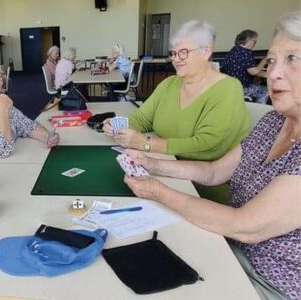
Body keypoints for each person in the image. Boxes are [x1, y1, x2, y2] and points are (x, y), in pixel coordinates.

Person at [123, 11, 300, 300]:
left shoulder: (226, 88)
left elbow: (245, 227)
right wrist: (152, 164)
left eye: (292, 58)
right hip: (228, 246)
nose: (275, 73)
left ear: (205, 52)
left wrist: (158, 191)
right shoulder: (273, 123)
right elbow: (215, 171)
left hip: (270, 282)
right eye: (271, 61)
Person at [103, 20, 250, 203]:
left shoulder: (229, 88)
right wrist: (122, 127)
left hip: (206, 185)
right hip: (162, 167)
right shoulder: (169, 84)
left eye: (184, 52)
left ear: (206, 51)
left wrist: (146, 144)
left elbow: (208, 145)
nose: (176, 58)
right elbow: (142, 119)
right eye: (173, 53)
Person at [221, 30, 270, 104]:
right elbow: (254, 72)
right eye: (255, 41)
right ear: (249, 41)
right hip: (243, 88)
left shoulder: (233, 50)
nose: (255, 44)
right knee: (267, 91)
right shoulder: (246, 53)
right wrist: (265, 60)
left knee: (257, 83)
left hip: (231, 87)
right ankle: (258, 110)